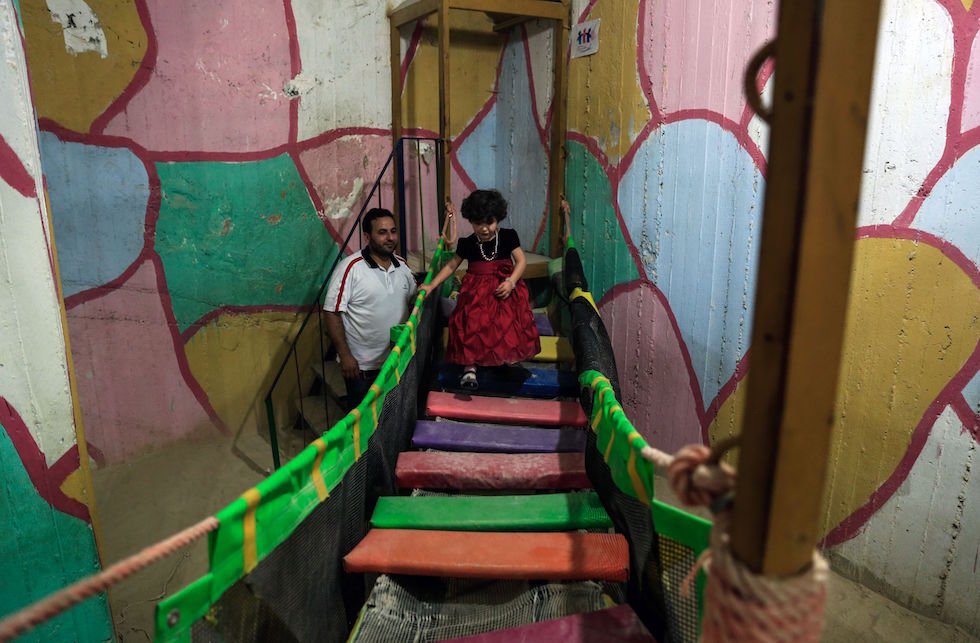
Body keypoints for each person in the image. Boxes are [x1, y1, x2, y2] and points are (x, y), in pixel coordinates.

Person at [420, 189, 540, 390]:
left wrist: (511, 282)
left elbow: (521, 261)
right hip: (476, 294)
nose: (484, 228)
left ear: (498, 218)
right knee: (473, 327)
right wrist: (432, 285)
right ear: (471, 221)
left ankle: (504, 360)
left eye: (489, 222)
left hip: (503, 290)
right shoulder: (467, 243)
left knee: (505, 325)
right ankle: (470, 366)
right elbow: (451, 266)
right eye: (478, 223)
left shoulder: (508, 236)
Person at [325, 208, 417, 409]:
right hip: (363, 370)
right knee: (363, 422)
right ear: (367, 237)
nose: (390, 238)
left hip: (397, 363)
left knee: (393, 417)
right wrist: (345, 356)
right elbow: (331, 312)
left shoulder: (402, 266)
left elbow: (414, 302)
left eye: (393, 231)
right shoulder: (350, 268)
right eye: (382, 232)